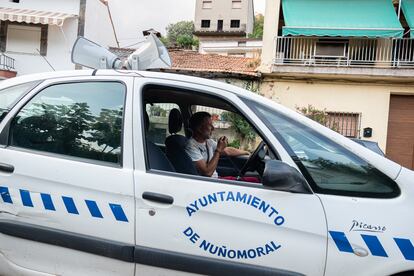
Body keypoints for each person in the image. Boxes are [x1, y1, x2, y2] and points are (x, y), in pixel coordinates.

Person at [185, 112, 258, 182]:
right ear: (199, 128)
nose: (213, 128)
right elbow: (207, 173)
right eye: (210, 125)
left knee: (254, 179)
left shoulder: (208, 142)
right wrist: (218, 150)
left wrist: (246, 152)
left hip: (216, 178)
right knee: (255, 181)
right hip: (210, 183)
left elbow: (227, 151)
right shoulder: (191, 146)